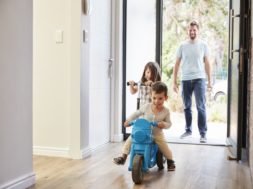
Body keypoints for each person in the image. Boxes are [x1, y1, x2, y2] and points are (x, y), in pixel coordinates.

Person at [113, 81, 175, 171]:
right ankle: (123, 156)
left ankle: (170, 161)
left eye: (160, 98)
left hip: (157, 134)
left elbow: (169, 124)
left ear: (165, 98)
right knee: (131, 139)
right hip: (144, 132)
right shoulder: (146, 107)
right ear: (151, 96)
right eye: (154, 98)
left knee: (164, 146)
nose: (157, 101)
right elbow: (136, 113)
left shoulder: (166, 111)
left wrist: (164, 124)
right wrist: (129, 120)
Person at [172, 20, 212, 143]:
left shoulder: (203, 45)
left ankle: (203, 134)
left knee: (201, 107)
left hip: (200, 79)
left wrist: (210, 81)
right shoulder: (182, 46)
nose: (192, 32)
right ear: (187, 31)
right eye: (190, 30)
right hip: (185, 79)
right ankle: (188, 130)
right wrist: (174, 82)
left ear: (198, 31)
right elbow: (177, 64)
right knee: (187, 107)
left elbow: (207, 64)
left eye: (194, 30)